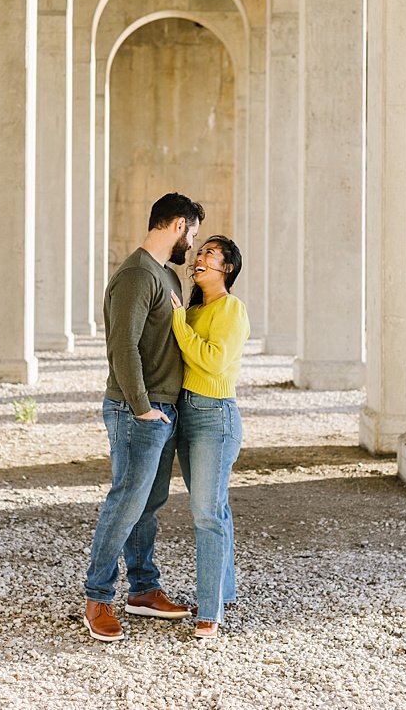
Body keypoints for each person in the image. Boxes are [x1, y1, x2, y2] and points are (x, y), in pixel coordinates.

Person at [83, 192, 205, 642]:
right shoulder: (137, 275)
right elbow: (123, 346)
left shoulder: (166, 277)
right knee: (126, 503)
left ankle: (142, 589)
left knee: (148, 505)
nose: (190, 244)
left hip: (162, 410)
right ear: (176, 225)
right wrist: (140, 406)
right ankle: (97, 597)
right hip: (137, 410)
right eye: (190, 233)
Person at [168, 236, 250, 639]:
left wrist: (179, 324)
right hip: (187, 414)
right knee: (215, 507)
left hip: (215, 417)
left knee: (205, 513)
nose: (199, 258)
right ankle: (225, 589)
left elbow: (214, 362)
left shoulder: (232, 309)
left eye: (210, 254)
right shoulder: (196, 309)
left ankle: (210, 610)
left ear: (227, 269)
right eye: (200, 252)